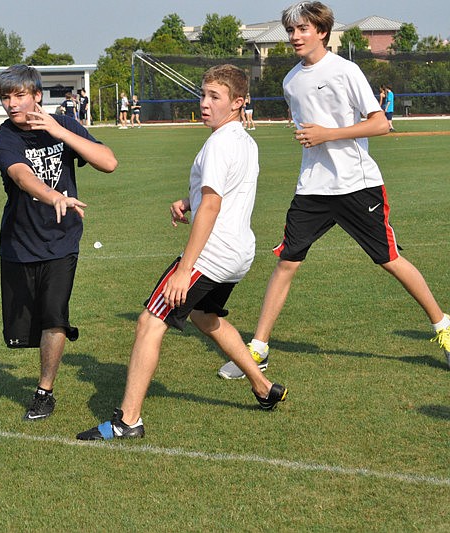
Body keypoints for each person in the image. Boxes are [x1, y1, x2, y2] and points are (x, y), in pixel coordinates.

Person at [217, 1, 450, 380]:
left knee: (388, 260)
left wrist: (329, 134)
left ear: (322, 32)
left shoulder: (346, 71)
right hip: (312, 188)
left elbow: (379, 125)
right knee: (286, 263)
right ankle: (257, 348)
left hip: (357, 185)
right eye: (291, 30)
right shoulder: (290, 80)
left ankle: (444, 327)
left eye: (302, 29)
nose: (294, 37)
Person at [76, 64, 287, 441]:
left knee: (149, 323)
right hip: (239, 254)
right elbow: (224, 192)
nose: (204, 104)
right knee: (206, 318)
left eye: (214, 97)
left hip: (211, 255)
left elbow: (212, 206)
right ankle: (261, 385)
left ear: (238, 103)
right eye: (203, 95)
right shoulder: (243, 140)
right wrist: (188, 202)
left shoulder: (221, 144)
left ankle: (129, 421)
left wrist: (183, 269)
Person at [0, 64, 118, 421]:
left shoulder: (64, 125)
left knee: (54, 316)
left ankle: (44, 391)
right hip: (19, 243)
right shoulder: (4, 139)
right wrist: (53, 196)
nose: (12, 105)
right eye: (5, 97)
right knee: (21, 331)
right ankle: (41, 365)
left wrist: (60, 131)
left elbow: (109, 162)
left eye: (19, 96)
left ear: (37, 96)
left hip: (62, 240)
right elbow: (22, 176)